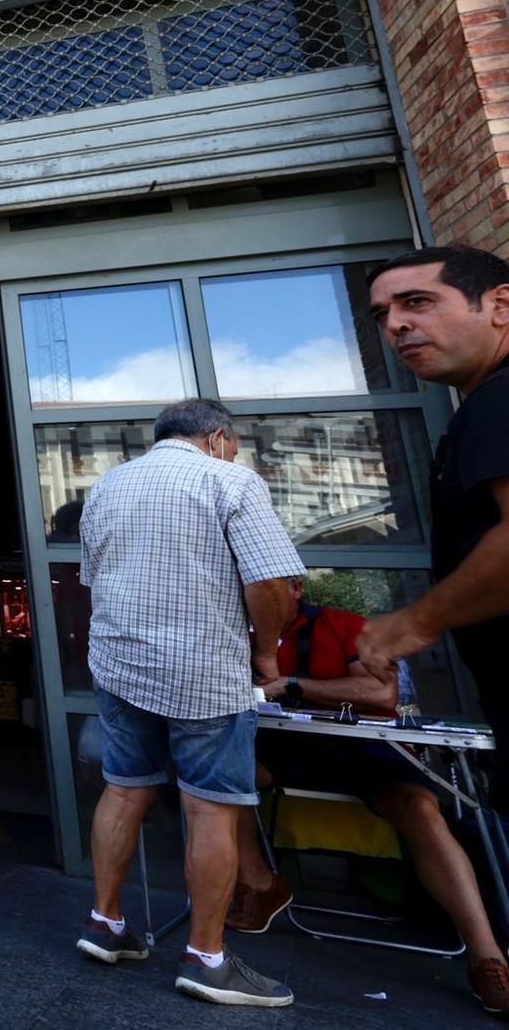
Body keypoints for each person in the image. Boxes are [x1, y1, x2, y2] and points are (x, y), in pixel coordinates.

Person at [72, 397, 300, 1007]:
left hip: (120, 665)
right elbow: (270, 582)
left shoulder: (106, 486)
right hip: (204, 670)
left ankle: (107, 923)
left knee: (123, 788)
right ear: (219, 437)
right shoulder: (231, 480)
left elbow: (92, 579)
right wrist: (269, 654)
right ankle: (206, 957)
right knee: (210, 810)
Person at [226, 577, 509, 1011]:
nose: (256, 599)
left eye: (268, 589)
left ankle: (486, 956)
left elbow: (381, 691)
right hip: (285, 752)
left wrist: (292, 685)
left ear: (297, 589)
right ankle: (261, 884)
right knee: (222, 776)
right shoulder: (236, 631)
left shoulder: (344, 625)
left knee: (419, 807)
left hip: (366, 749)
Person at [357, 247, 509, 761]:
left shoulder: (501, 397)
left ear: (500, 305)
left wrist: (416, 622)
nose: (396, 325)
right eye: (383, 315)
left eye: (416, 302)